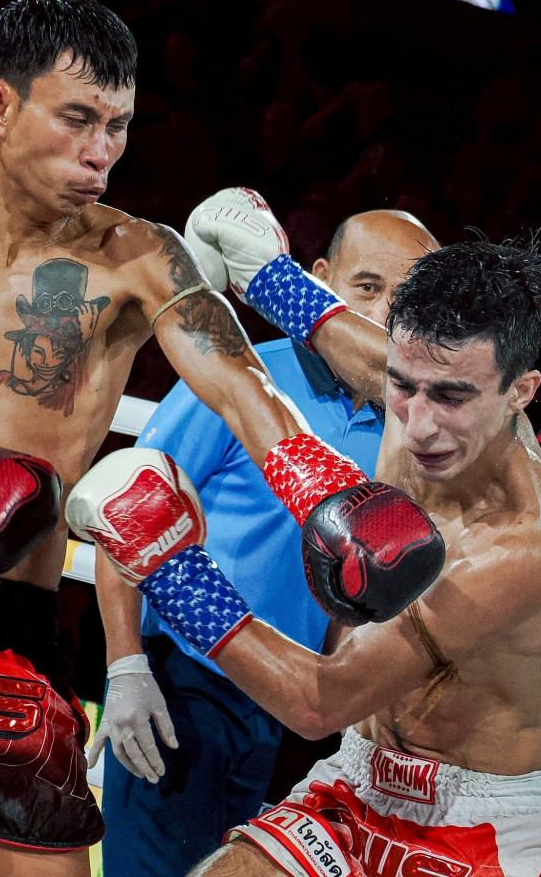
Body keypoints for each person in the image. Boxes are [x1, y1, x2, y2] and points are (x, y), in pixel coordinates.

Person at [0, 0, 443, 877]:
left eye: (119, 126)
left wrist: (330, 494)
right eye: (78, 119)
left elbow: (245, 392)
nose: (101, 150)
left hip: (13, 634)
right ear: (0, 105)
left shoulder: (140, 258)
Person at [69, 228, 541, 875]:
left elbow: (321, 703)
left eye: (452, 398)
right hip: (361, 777)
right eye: (402, 386)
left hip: (479, 826)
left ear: (520, 392)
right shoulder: (421, 378)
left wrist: (172, 570)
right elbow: (322, 334)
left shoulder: (518, 546)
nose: (419, 425)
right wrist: (262, 269)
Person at [95, 210, 440, 877]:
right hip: (182, 685)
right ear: (320, 280)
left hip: (287, 704)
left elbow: (358, 595)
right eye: (367, 287)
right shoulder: (239, 371)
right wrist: (125, 665)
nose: (383, 314)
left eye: (406, 300)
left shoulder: (407, 434)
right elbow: (125, 504)